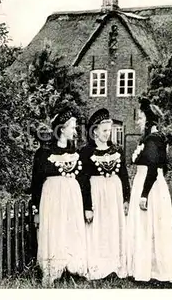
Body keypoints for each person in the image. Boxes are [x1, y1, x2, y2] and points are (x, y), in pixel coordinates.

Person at [29, 104, 91, 286]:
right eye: (72, 127)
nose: (75, 130)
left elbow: (84, 181)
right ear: (62, 129)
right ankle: (52, 271)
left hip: (72, 200)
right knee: (54, 230)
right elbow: (36, 184)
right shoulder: (44, 153)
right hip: (52, 199)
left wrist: (87, 206)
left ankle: (73, 268)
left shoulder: (76, 153)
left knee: (72, 230)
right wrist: (36, 210)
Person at [126, 97, 172, 284]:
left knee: (145, 227)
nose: (138, 122)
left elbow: (151, 167)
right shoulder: (159, 139)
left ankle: (146, 273)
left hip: (148, 185)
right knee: (155, 228)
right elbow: (162, 167)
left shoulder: (151, 139)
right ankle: (156, 270)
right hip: (157, 185)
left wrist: (144, 194)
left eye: (140, 118)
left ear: (148, 120)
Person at [78, 108, 131, 280]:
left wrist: (125, 198)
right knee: (98, 229)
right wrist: (87, 206)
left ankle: (115, 267)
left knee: (114, 227)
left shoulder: (117, 150)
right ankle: (99, 267)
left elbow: (124, 175)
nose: (108, 134)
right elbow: (83, 181)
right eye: (104, 131)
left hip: (114, 196)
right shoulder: (86, 152)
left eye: (110, 131)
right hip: (97, 195)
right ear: (95, 131)